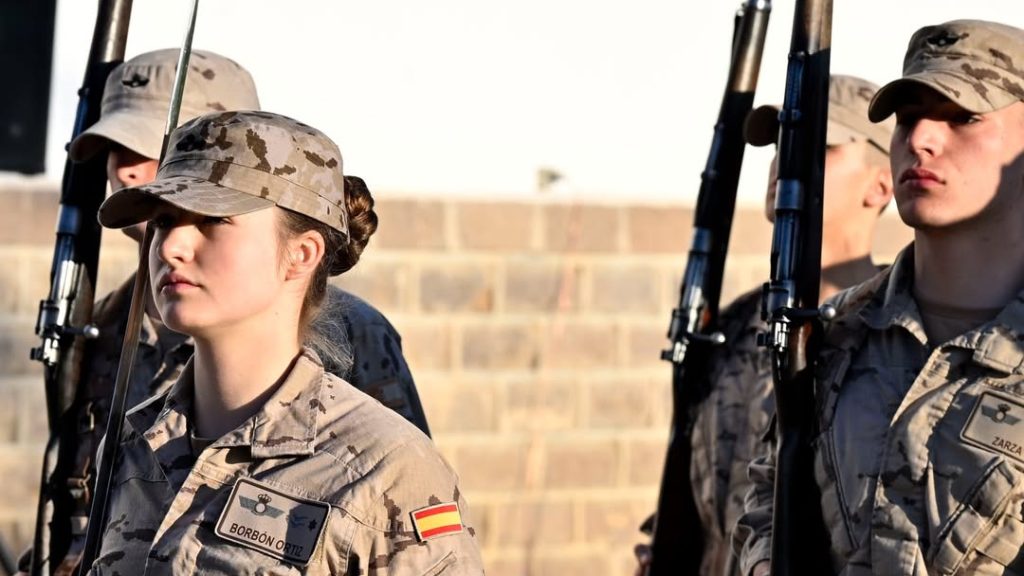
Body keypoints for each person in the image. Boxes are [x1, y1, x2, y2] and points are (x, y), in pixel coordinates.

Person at [81, 110, 483, 574]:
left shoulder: (386, 471)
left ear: (301, 254)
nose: (171, 246)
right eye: (164, 221)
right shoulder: (131, 445)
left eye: (211, 220)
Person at [736, 19, 1024, 576]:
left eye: (963, 117)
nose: (920, 139)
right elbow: (766, 510)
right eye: (908, 118)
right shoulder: (832, 339)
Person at [634, 74, 896, 576]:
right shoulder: (730, 326)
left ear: (880, 184)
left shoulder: (893, 334)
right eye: (781, 144)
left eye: (817, 145)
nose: (785, 159)